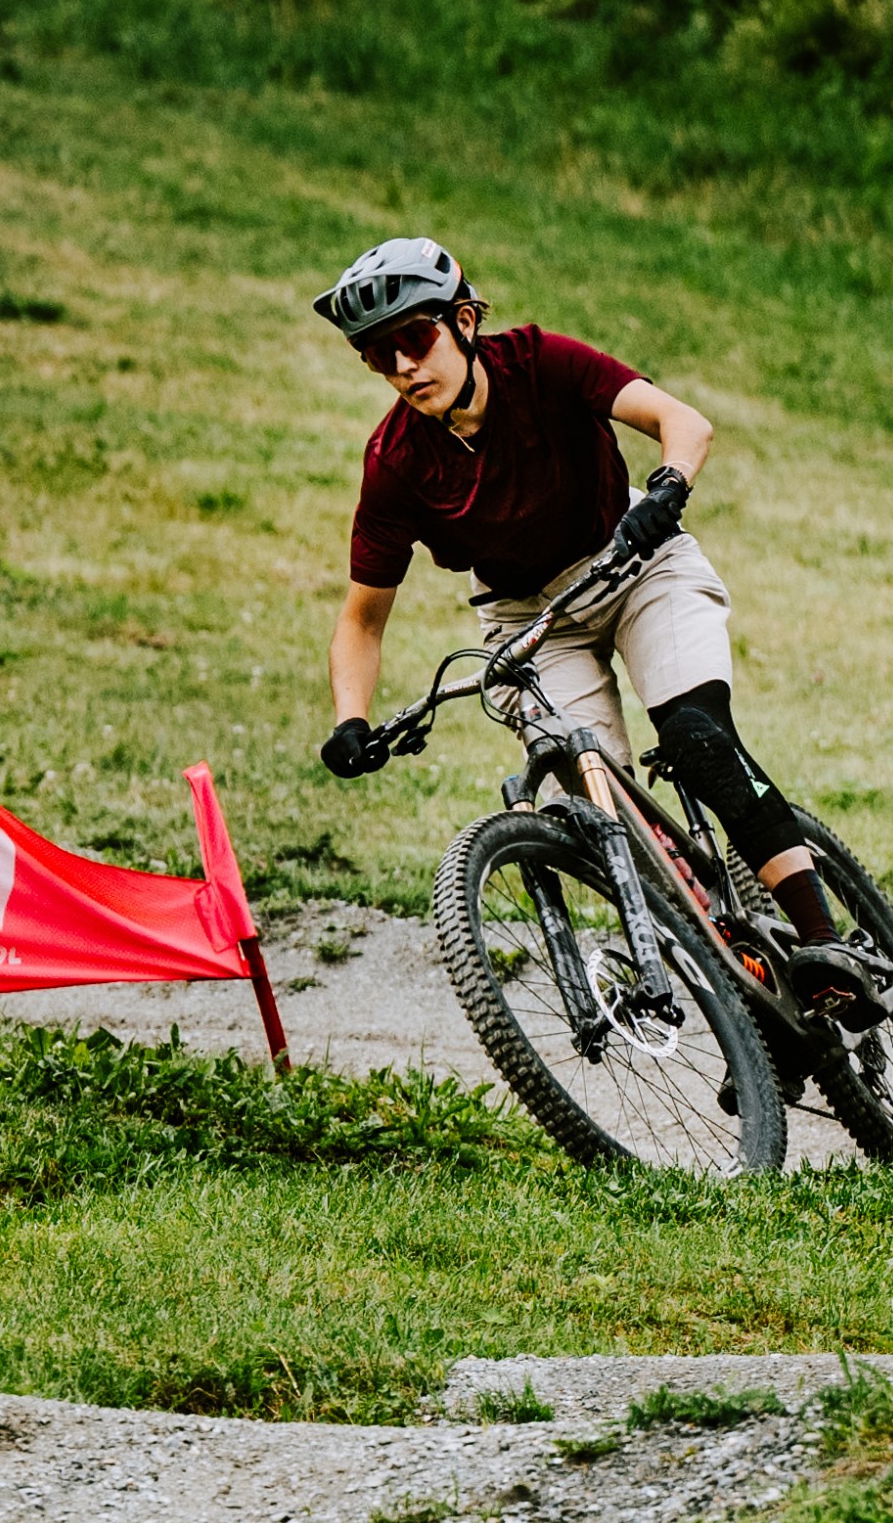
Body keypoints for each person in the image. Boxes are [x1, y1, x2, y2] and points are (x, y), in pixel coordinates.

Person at [303, 238, 846, 975]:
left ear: (464, 321)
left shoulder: (540, 362)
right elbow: (361, 619)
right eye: (376, 353)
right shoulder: (396, 461)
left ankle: (828, 947)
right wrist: (349, 720)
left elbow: (683, 422)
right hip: (525, 618)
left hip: (633, 558)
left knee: (696, 737)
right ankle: (737, 986)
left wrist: (668, 488)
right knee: (608, 822)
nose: (401, 365)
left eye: (415, 337)